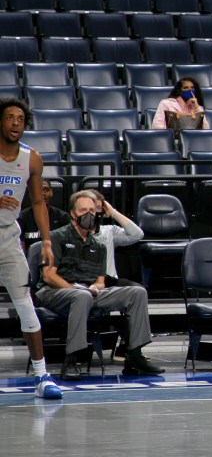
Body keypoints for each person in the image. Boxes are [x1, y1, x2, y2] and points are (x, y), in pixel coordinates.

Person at [36, 191, 165, 381]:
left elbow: (100, 281)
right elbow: (48, 276)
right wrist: (75, 289)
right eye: (83, 210)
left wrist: (96, 288)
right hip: (54, 292)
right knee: (82, 297)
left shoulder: (100, 245)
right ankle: (71, 360)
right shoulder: (57, 237)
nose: (88, 214)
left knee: (137, 292)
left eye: (91, 210)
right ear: (73, 214)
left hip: (87, 293)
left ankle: (134, 355)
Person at [0, 100, 63, 399]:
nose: (15, 122)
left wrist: (47, 241)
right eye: (10, 117)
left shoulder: (32, 158)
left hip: (8, 239)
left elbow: (38, 203)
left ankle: (42, 377)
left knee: (25, 303)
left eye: (21, 118)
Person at [84, 190, 144, 287]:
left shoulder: (109, 231)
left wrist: (113, 212)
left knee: (138, 290)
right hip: (82, 281)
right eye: (91, 208)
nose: (94, 212)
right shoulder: (70, 233)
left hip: (109, 281)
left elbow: (137, 234)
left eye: (98, 208)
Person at [18, 178, 70, 251]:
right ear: (30, 193)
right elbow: (20, 248)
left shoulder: (63, 217)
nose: (42, 193)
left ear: (51, 192)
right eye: (38, 190)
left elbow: (69, 246)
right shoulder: (22, 218)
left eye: (46, 189)